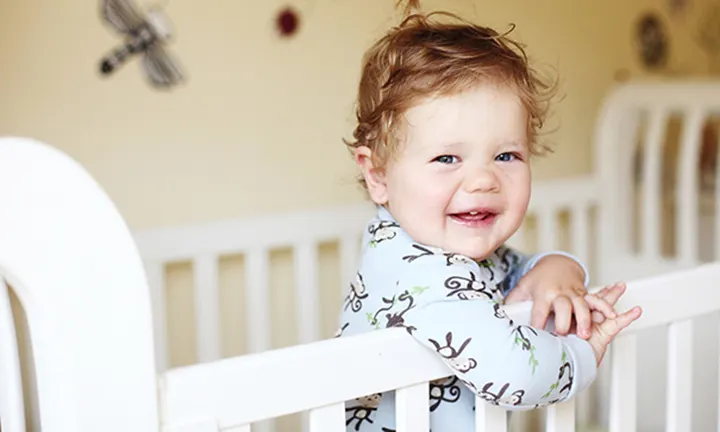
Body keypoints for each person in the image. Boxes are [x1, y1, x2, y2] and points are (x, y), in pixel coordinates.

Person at [335, 4, 642, 431]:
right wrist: (583, 354)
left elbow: (513, 272)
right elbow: (518, 374)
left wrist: (556, 268)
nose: (483, 180)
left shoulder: (439, 247)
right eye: (447, 157)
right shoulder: (418, 278)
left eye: (506, 155)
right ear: (378, 175)